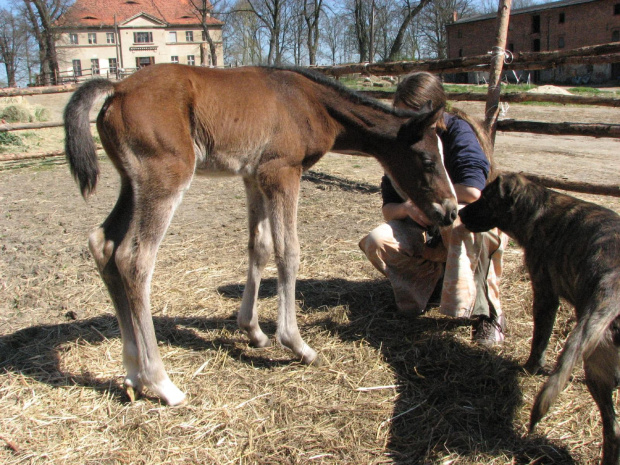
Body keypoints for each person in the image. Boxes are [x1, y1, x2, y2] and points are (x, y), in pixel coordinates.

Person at [359, 72, 507, 345]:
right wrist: (407, 208)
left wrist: (425, 200)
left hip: (474, 222)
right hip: (427, 228)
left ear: (434, 111)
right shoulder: (401, 142)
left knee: (459, 225)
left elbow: (474, 192)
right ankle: (431, 289)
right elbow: (388, 208)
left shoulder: (457, 132)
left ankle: (488, 315)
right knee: (377, 241)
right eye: (401, 114)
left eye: (413, 114)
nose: (407, 122)